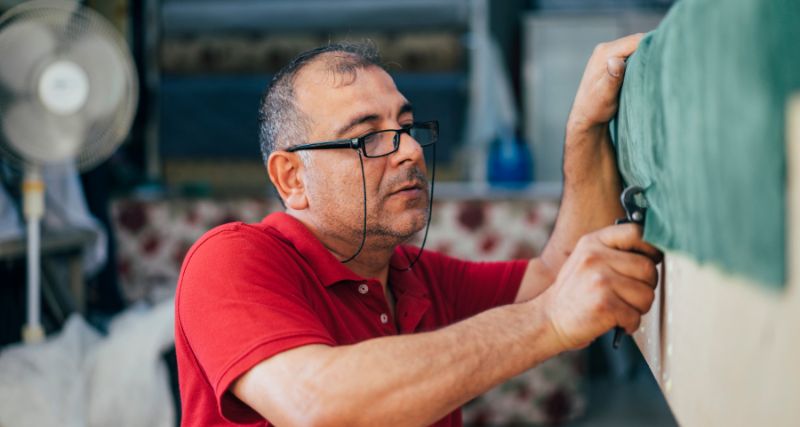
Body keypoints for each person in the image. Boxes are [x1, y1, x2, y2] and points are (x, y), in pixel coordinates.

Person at [175, 34, 660, 427]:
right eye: (370, 137)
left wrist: (584, 129)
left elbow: (557, 275)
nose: (410, 151)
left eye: (406, 127)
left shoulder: (412, 276)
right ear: (292, 178)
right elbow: (318, 405)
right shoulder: (232, 259)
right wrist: (549, 321)